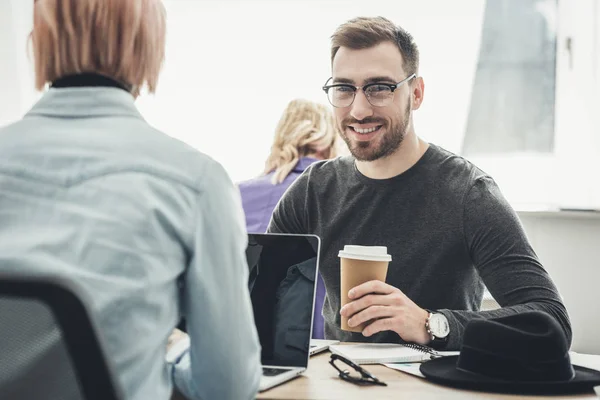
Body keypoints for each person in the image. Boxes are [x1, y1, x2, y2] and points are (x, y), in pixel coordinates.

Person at [0, 1, 261, 399]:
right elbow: (226, 387)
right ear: (150, 48)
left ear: (40, 42)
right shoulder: (194, 182)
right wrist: (171, 355)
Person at [268, 16, 571, 351]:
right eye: (344, 89)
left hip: (438, 385)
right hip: (343, 381)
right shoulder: (311, 191)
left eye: (379, 88)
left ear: (416, 93)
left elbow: (550, 321)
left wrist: (430, 323)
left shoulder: (469, 193)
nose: (358, 110)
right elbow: (263, 309)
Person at [238, 98, 339, 339]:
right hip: (315, 345)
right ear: (329, 142)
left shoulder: (235, 194)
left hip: (241, 341)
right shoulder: (336, 197)